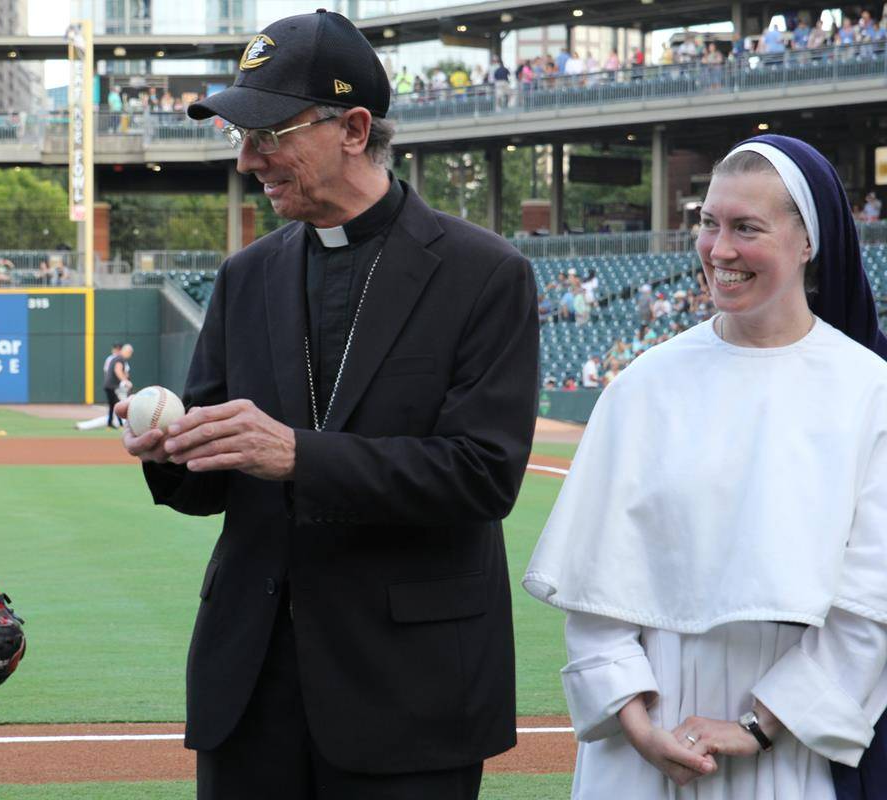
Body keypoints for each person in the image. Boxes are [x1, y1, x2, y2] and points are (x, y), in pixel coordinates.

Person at [121, 10, 538, 799]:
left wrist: (298, 456)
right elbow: (214, 481)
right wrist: (175, 453)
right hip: (250, 691)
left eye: (268, 133)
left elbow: (484, 477)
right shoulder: (246, 276)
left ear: (352, 127)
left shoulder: (486, 274)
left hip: (408, 696)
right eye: (240, 138)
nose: (248, 160)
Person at [524, 134, 887, 798]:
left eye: (747, 228)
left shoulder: (870, 393)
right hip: (640, 740)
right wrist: (632, 718)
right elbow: (598, 593)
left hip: (780, 748)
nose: (719, 250)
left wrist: (755, 726)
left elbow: (869, 610)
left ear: (809, 242)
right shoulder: (642, 385)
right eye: (709, 223)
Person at [102, 342, 125, 428]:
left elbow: (125, 372)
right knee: (115, 404)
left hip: (117, 386)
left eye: (117, 349)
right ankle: (118, 423)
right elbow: (110, 372)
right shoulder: (113, 359)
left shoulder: (120, 359)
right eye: (115, 348)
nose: (115, 350)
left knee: (115, 404)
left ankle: (112, 423)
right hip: (113, 386)